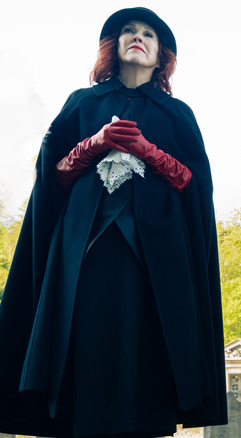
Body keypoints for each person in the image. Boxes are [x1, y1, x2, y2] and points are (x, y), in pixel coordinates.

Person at [0, 7, 227, 437]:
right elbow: (52, 176)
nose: (138, 36)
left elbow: (194, 185)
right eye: (128, 30)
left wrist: (148, 151)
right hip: (84, 246)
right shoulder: (83, 102)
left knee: (143, 342)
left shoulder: (177, 114)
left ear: (162, 55)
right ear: (114, 45)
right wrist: (93, 144)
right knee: (81, 335)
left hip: (154, 254)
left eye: (148, 34)